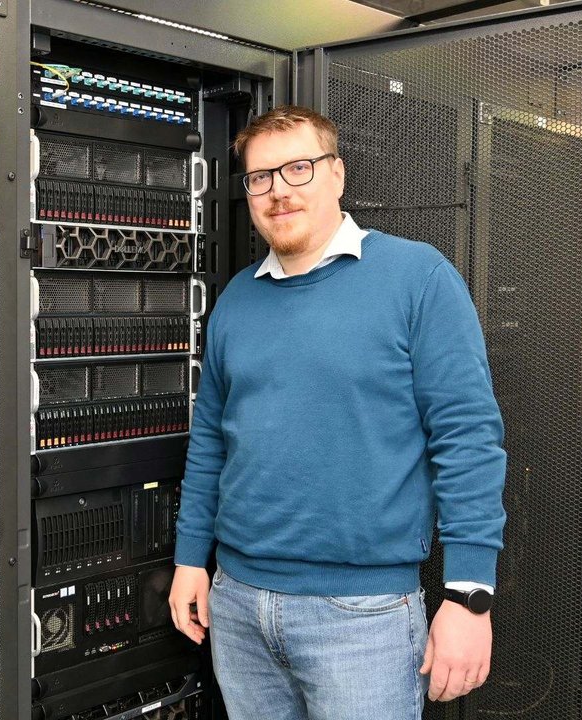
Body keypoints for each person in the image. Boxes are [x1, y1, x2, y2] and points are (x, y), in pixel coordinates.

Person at [168, 105, 506, 719]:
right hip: (238, 602)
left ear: (338, 174)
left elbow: (468, 439)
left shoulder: (418, 277)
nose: (279, 191)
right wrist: (192, 558)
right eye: (261, 177)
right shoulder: (236, 299)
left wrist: (469, 595)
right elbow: (211, 442)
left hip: (363, 616)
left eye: (299, 168)